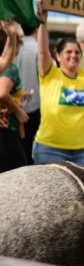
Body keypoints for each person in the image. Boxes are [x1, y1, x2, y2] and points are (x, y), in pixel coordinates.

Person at [33, 6, 84, 165]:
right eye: (68, 52)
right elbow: (43, 52)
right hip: (50, 149)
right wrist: (43, 23)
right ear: (58, 56)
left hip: (83, 152)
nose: (73, 55)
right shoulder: (50, 73)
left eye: (77, 52)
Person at [0, 23, 29, 172]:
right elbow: (2, 93)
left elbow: (4, 60)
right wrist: (18, 111)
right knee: (19, 173)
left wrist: (11, 36)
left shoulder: (7, 65)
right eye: (19, 42)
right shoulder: (11, 69)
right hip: (5, 132)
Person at [14, 25, 40, 164]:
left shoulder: (10, 46)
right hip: (33, 106)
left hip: (12, 106)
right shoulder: (38, 49)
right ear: (36, 29)